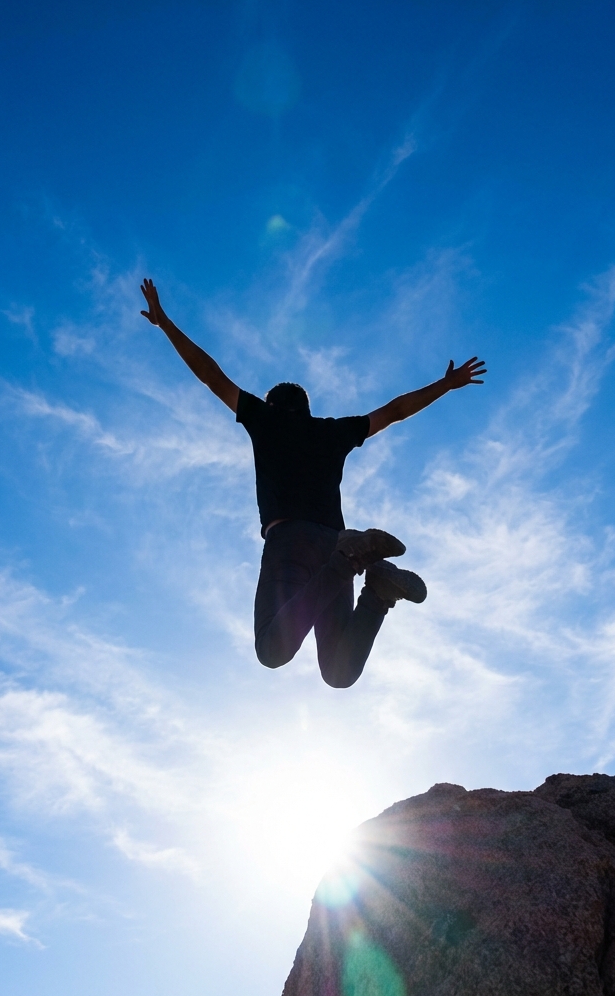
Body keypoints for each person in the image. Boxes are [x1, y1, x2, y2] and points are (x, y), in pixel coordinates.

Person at [140, 278, 486, 689]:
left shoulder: (264, 421)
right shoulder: (331, 432)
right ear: (307, 409)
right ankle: (378, 591)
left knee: (272, 649)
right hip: (333, 542)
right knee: (339, 673)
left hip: (293, 545)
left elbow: (210, 375)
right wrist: (445, 385)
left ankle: (353, 561)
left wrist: (166, 324)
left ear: (271, 405)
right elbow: (393, 411)